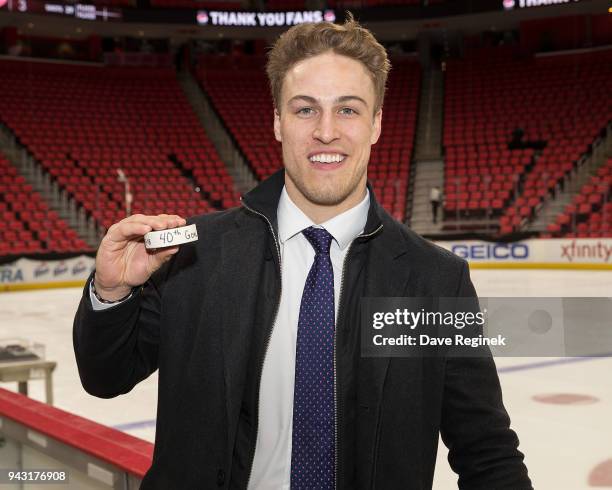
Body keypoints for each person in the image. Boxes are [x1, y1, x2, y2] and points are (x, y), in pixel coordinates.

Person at [73, 15, 532, 490]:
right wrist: (110, 293)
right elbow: (105, 377)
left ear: (376, 124)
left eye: (349, 110)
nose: (327, 132)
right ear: (277, 121)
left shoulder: (434, 281)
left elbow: (485, 448)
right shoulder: (194, 252)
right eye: (305, 109)